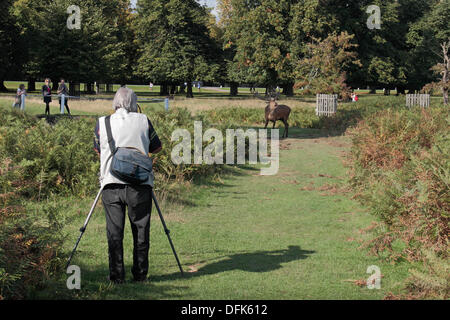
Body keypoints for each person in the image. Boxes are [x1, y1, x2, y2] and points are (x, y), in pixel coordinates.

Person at [93, 87, 162, 284]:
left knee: (114, 232)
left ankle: (116, 276)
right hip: (140, 185)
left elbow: (98, 150)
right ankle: (140, 275)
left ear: (115, 102)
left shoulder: (102, 122)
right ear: (134, 103)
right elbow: (157, 147)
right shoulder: (144, 120)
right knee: (141, 230)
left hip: (111, 184)